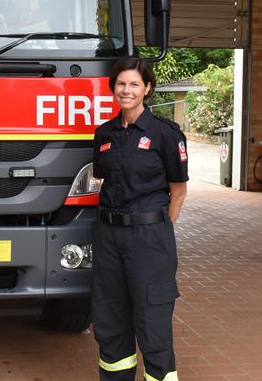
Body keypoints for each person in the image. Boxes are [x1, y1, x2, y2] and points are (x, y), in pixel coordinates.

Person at [92, 57, 188, 381]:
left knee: (153, 325)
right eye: (121, 84)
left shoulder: (165, 133)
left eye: (134, 84)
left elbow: (178, 191)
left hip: (149, 238)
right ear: (113, 88)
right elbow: (99, 180)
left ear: (147, 88)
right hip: (108, 238)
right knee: (110, 321)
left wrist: (158, 229)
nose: (127, 90)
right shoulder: (103, 134)